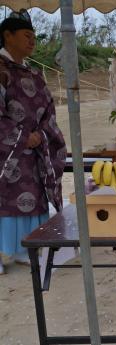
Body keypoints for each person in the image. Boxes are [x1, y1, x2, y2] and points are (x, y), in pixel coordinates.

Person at [0, 10, 66, 274]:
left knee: (35, 195)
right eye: (26, 35)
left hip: (35, 150)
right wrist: (21, 137)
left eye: (34, 37)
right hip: (6, 151)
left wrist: (42, 135)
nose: (32, 41)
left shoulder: (34, 73)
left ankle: (26, 248)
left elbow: (47, 107)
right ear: (7, 36)